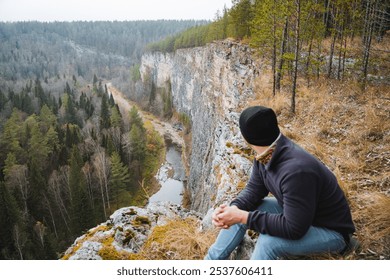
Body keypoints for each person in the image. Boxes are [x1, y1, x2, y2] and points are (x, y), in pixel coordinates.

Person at [205, 106, 356, 260]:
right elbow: (254, 189)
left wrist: (242, 217)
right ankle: (211, 262)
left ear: (248, 138)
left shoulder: (296, 171)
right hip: (301, 214)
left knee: (268, 243)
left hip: (331, 231)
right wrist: (233, 209)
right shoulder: (268, 150)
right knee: (245, 208)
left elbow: (294, 228)